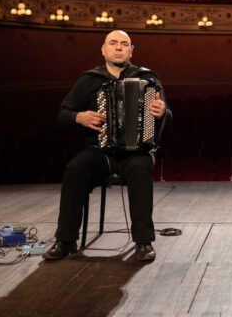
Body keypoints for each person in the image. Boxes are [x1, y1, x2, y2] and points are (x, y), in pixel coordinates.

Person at [43, 30, 170, 261]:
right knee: (75, 168)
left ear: (132, 50)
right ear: (104, 50)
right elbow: (63, 114)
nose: (119, 47)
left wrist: (163, 113)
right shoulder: (89, 79)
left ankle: (143, 242)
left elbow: (166, 114)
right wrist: (78, 117)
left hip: (137, 151)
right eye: (113, 43)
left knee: (141, 168)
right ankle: (66, 240)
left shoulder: (148, 78)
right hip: (99, 151)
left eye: (124, 44)